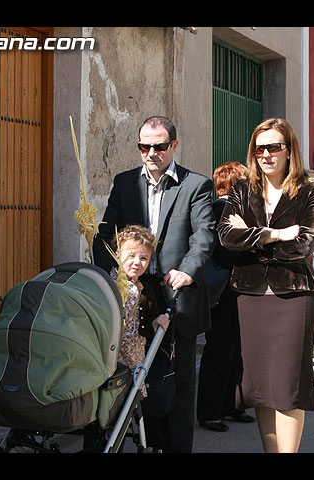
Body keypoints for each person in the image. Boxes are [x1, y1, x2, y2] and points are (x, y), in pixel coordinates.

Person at [92, 115, 216, 453]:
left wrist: (188, 270)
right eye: (144, 146)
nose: (151, 153)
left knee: (176, 384)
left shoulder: (197, 185)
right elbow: (107, 233)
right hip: (137, 299)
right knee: (138, 383)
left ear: (173, 146)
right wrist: (110, 275)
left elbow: (204, 235)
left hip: (178, 296)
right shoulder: (124, 182)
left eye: (159, 146)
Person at [217, 118, 314, 453]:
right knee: (260, 386)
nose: (266, 154)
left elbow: (304, 245)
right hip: (250, 296)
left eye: (274, 147)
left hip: (293, 295)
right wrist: (276, 234)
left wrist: (251, 237)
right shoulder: (241, 188)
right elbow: (226, 236)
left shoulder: (312, 189)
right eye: (259, 148)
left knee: (287, 386)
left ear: (289, 150)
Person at [197, 161, 254, 432]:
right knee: (219, 348)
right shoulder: (221, 209)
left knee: (235, 347)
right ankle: (210, 412)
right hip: (222, 289)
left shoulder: (232, 210)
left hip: (234, 288)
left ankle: (232, 405)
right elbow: (225, 250)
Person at [112, 225, 170, 397]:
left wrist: (156, 320)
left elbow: (149, 318)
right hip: (114, 354)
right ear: (117, 255)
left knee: (132, 397)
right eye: (131, 256)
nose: (137, 262)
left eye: (144, 258)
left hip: (135, 355)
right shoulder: (109, 284)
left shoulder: (145, 289)